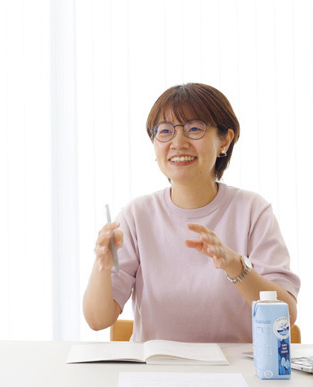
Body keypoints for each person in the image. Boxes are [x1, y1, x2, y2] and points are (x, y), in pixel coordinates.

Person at [83, 83, 300, 343]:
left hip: (236, 374)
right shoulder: (136, 215)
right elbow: (97, 320)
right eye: (164, 131)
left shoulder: (253, 211)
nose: (178, 142)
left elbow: (285, 315)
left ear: (225, 140)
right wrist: (102, 266)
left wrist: (234, 266)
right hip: (155, 372)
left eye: (194, 129)